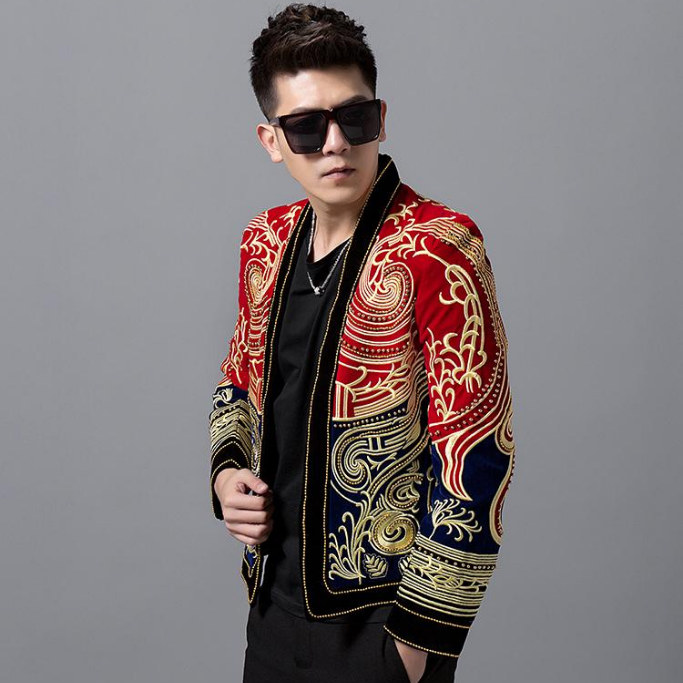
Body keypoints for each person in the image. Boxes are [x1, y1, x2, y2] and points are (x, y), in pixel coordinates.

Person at [208, 4, 516, 682]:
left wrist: (417, 641)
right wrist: (227, 475)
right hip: (271, 608)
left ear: (381, 117)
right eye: (305, 127)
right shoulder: (264, 242)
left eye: (354, 118)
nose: (335, 144)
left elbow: (476, 448)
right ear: (270, 140)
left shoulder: (439, 248)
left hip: (383, 625)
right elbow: (239, 380)